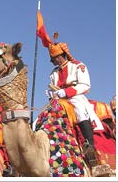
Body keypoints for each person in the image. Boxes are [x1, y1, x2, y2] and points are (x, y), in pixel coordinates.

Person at [45, 40, 104, 168]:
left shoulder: (78, 66)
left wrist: (66, 92)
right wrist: (51, 93)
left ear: (60, 57)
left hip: (75, 96)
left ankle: (90, 145)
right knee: (45, 115)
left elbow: (85, 85)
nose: (52, 61)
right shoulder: (53, 73)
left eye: (53, 58)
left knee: (79, 110)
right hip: (59, 99)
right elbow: (53, 88)